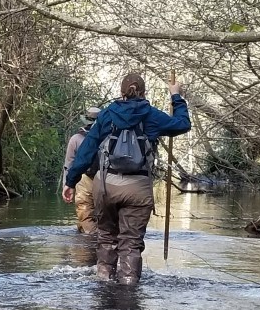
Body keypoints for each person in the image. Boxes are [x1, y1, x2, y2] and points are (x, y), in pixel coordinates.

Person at [62, 72, 190, 285]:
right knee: (131, 244)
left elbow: (87, 149)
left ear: (121, 93)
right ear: (143, 92)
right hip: (138, 188)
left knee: (106, 238)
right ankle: (128, 294)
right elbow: (182, 124)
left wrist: (71, 181)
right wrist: (175, 96)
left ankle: (104, 285)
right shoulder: (151, 115)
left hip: (105, 185)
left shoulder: (107, 115)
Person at [62, 107, 101, 234]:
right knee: (103, 216)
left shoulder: (76, 138)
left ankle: (89, 245)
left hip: (83, 179)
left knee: (86, 216)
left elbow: (69, 164)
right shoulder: (108, 136)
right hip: (106, 180)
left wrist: (67, 186)